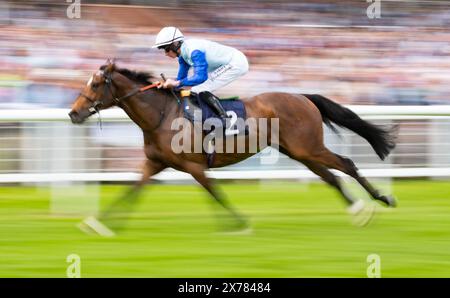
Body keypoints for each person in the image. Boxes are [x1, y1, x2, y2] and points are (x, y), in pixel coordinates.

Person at [152, 26, 249, 120]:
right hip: (228, 63)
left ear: (175, 44)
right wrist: (165, 84)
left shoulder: (194, 51)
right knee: (198, 89)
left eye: (166, 49)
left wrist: (176, 83)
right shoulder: (183, 56)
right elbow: (180, 79)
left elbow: (201, 77)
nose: (165, 53)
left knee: (200, 89)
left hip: (236, 62)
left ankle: (225, 119)